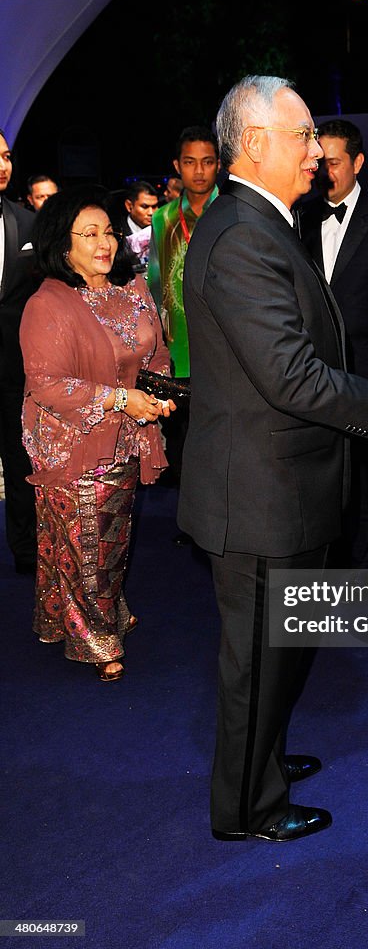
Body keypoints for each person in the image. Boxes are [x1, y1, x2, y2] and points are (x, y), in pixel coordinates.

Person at [177, 75, 368, 843]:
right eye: (301, 138)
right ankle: (246, 808)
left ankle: (258, 761)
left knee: (277, 651)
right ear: (255, 143)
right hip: (259, 496)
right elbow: (290, 376)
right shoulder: (241, 234)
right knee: (258, 661)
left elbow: (300, 352)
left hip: (280, 487)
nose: (316, 154)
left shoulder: (258, 223)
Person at [19, 186, 175, 681]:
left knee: (108, 534)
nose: (104, 242)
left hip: (126, 435)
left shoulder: (133, 289)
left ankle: (63, 614)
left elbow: (154, 354)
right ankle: (95, 637)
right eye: (89, 234)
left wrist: (159, 393)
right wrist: (120, 399)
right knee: (90, 540)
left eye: (108, 231)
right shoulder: (48, 304)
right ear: (62, 246)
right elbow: (48, 385)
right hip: (72, 440)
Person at [299, 118, 368, 568]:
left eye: (333, 162)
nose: (323, 171)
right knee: (325, 472)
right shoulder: (300, 218)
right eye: (319, 161)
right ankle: (331, 564)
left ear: (358, 163)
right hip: (316, 372)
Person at [147, 125, 219, 496]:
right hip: (178, 347)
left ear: (219, 164)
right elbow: (155, 285)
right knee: (182, 437)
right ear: (178, 165)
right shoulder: (162, 219)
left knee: (221, 435)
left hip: (225, 344)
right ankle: (190, 518)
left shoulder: (230, 208)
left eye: (207, 162)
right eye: (190, 162)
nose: (199, 171)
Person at [0, 127, 39, 574]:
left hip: (15, 365)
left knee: (18, 458)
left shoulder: (27, 223)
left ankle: (25, 550)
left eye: (7, 156)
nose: (3, 165)